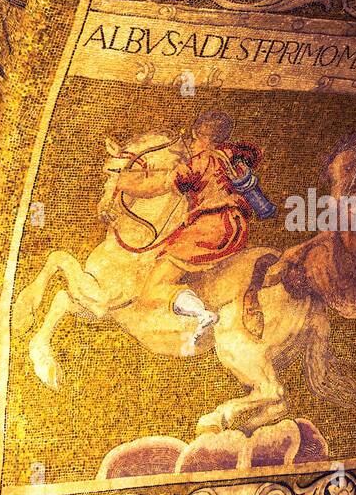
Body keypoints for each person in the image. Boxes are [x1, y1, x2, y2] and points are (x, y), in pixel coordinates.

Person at [106, 111, 263, 340]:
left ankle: (201, 314)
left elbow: (156, 187)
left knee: (151, 290)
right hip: (235, 225)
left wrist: (125, 181)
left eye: (192, 140)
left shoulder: (200, 162)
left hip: (210, 228)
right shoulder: (232, 156)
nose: (191, 145)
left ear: (198, 136)